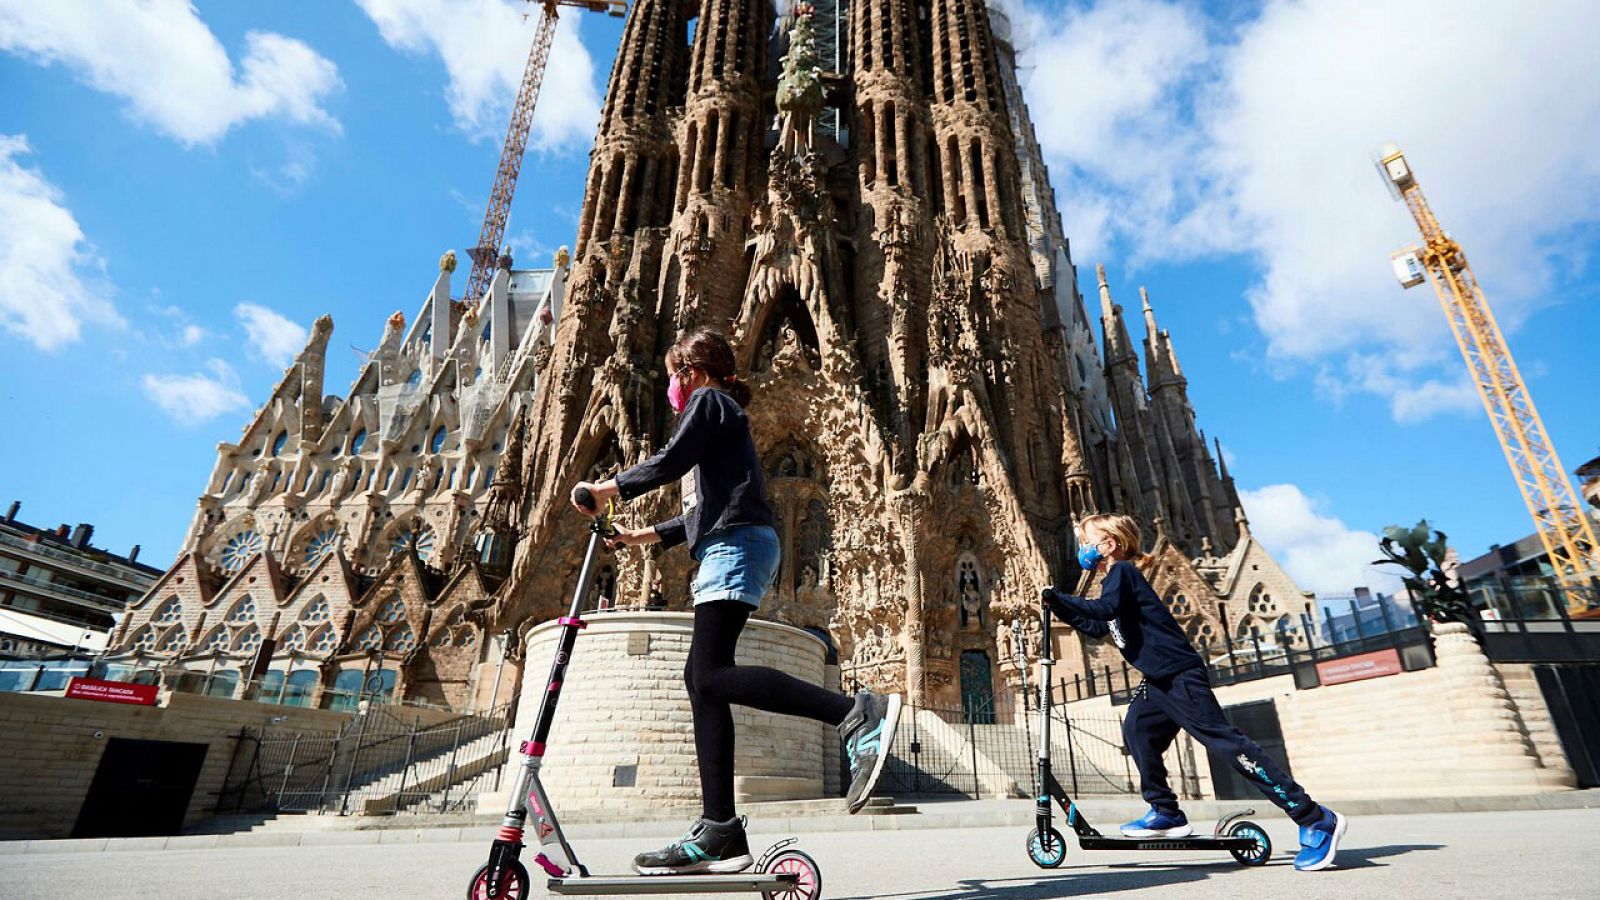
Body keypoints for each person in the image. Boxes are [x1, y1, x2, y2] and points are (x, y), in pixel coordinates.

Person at [572, 327, 902, 876]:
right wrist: (637, 538)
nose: (673, 389)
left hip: (739, 545)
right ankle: (719, 829)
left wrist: (610, 488)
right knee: (702, 681)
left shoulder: (710, 401)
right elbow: (698, 513)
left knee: (709, 675)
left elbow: (672, 460)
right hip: (732, 542)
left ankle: (854, 712)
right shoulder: (719, 420)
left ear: (692, 373)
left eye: (676, 376)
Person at [1041, 513, 1347, 872]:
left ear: (1109, 544)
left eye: (1086, 541)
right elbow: (1097, 626)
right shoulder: (1112, 582)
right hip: (1158, 680)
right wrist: (1059, 605)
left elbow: (1104, 610)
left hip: (1179, 675)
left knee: (1229, 746)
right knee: (1138, 731)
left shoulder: (1123, 572)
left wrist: (1061, 596)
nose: (1082, 549)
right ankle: (1166, 812)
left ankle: (1315, 818)